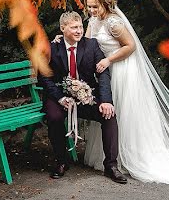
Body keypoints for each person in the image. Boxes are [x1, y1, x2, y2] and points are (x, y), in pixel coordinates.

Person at [82, 0, 169, 185]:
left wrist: (109, 60)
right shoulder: (92, 21)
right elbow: (85, 44)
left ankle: (129, 157)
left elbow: (130, 46)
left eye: (94, 6)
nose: (91, 11)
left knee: (125, 113)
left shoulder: (114, 23)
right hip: (104, 72)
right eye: (88, 7)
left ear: (104, 3)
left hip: (121, 70)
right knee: (108, 112)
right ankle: (110, 155)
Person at [38, 11, 128, 184]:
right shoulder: (52, 48)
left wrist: (106, 101)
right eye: (74, 28)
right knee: (54, 117)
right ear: (63, 28)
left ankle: (111, 166)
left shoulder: (91, 45)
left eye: (80, 27)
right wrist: (59, 98)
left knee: (108, 114)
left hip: (85, 96)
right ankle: (61, 161)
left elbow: (103, 75)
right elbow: (44, 77)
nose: (79, 31)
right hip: (59, 96)